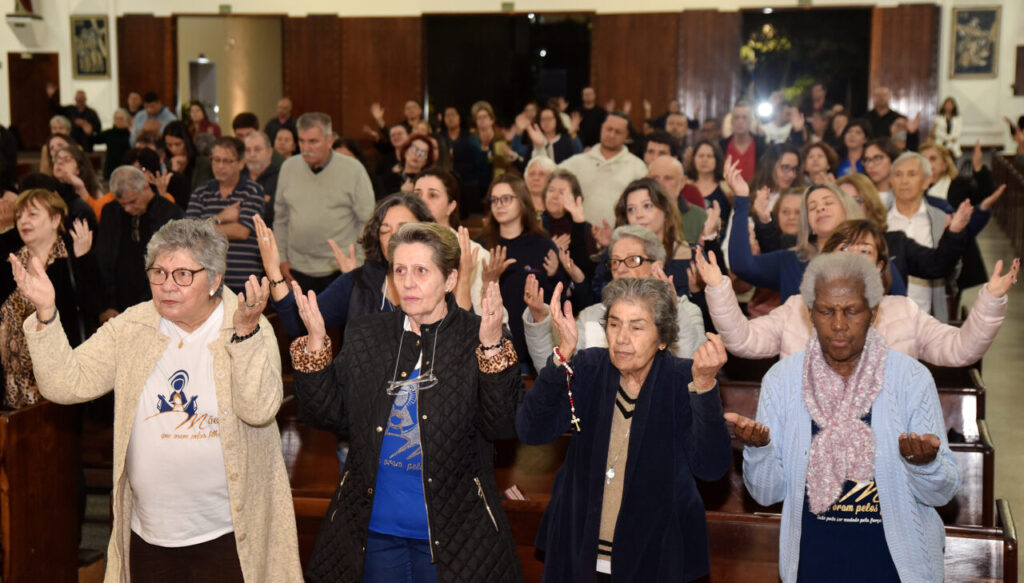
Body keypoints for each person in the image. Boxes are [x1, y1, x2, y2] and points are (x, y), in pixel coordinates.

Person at [15, 218, 302, 581]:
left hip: (229, 534)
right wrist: (46, 312)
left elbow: (259, 410)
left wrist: (244, 338)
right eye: (158, 273)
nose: (168, 286)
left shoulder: (245, 323)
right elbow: (65, 383)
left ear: (214, 279)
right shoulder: (133, 327)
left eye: (183, 274)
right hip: (149, 534)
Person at [288, 222, 524, 582]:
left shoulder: (477, 336)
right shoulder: (368, 334)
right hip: (375, 530)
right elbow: (328, 415)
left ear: (449, 280)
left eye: (421, 271)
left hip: (455, 536)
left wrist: (492, 348)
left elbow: (503, 424)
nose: (408, 282)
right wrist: (317, 348)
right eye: (400, 270)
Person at [728, 252, 962, 582]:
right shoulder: (782, 381)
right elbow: (767, 494)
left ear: (873, 313)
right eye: (826, 311)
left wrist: (925, 465)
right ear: (810, 313)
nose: (839, 323)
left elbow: (941, 492)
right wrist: (760, 450)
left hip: (895, 570)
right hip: (813, 566)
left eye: (851, 311)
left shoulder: (910, 379)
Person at [517, 277, 731, 582]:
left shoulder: (685, 379)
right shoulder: (590, 368)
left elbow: (711, 467)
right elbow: (531, 430)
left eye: (637, 327)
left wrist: (706, 387)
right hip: (580, 552)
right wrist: (560, 357)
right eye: (614, 324)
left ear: (662, 338)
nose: (621, 338)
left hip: (656, 560)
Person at [703, 218, 1015, 362]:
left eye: (863, 250)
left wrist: (991, 300)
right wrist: (718, 288)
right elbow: (743, 340)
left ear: (881, 265)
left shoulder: (903, 312)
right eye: (843, 248)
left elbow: (960, 350)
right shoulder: (798, 309)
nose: (852, 257)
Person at [522, 224, 706, 372]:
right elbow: (557, 375)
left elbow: (692, 371)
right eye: (616, 261)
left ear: (656, 267)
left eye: (633, 260)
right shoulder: (591, 315)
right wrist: (539, 320)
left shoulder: (686, 311)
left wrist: (672, 310)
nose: (621, 268)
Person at [258, 193, 434, 340]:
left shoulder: (441, 279)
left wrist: (463, 276)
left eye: (403, 228)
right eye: (384, 231)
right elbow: (299, 324)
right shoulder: (358, 283)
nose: (393, 237)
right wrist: (273, 270)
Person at [0, 189, 100, 407]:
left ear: (55, 219)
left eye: (33, 214)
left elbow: (92, 306)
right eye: (19, 216)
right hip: (10, 384)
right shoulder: (10, 262)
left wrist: (84, 261)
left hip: (57, 382)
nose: (23, 221)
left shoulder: (74, 259)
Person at [727, 158, 866, 301]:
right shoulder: (791, 261)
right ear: (809, 225)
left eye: (828, 202)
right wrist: (742, 199)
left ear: (847, 209)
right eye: (812, 207)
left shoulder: (869, 253)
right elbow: (742, 265)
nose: (820, 208)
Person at [273, 112, 375, 294]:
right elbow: (281, 219)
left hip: (340, 269)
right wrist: (281, 258)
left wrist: (358, 264)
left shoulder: (353, 170)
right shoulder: (289, 168)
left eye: (313, 141)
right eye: (301, 141)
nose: (305, 148)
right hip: (297, 268)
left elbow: (367, 222)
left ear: (329, 140)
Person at [479, 175, 562, 373]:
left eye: (507, 198)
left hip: (534, 352)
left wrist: (555, 275)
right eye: (494, 199)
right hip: (492, 350)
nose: (499, 205)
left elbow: (554, 302)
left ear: (523, 202)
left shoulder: (543, 244)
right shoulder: (483, 245)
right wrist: (490, 282)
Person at [96, 166, 185, 321]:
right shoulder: (111, 212)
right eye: (122, 204)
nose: (127, 209)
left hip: (158, 304)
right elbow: (103, 260)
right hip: (116, 306)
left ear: (145, 187)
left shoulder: (170, 214)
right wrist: (106, 305)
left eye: (132, 202)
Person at [186, 137, 265, 293]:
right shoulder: (201, 192)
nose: (220, 166)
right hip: (206, 281)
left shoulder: (252, 190)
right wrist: (219, 217)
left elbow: (241, 231)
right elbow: (189, 233)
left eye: (227, 161)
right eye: (216, 160)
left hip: (244, 282)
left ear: (241, 164)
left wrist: (203, 228)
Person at [412, 168, 490, 314]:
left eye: (432, 195)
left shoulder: (476, 254)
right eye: (417, 195)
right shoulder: (403, 249)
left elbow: (481, 320)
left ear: (451, 206)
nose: (422, 201)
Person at [558, 112, 648, 228]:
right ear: (602, 128)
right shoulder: (577, 163)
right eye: (609, 129)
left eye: (618, 132)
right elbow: (548, 175)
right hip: (580, 235)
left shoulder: (637, 167)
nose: (611, 135)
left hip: (620, 238)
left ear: (626, 136)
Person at [648, 155, 707, 245]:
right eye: (655, 178)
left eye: (668, 178)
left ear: (683, 182)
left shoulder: (700, 218)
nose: (660, 184)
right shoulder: (637, 215)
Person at [684, 139, 733, 233]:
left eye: (709, 156)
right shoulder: (685, 187)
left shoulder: (727, 188)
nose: (704, 160)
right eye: (701, 156)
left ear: (717, 160)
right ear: (693, 159)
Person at [52, 145, 104, 220]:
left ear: (78, 169)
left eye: (67, 160)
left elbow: (98, 219)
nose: (59, 162)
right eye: (57, 159)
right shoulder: (47, 187)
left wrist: (81, 189)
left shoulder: (95, 191)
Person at [720, 102, 768, 182]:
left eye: (744, 117)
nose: (740, 121)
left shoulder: (762, 146)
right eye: (736, 117)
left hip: (755, 191)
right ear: (731, 121)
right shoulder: (722, 146)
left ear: (750, 121)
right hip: (728, 192)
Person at [378, 133, 437, 198]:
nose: (417, 155)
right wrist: (402, 192)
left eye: (423, 153)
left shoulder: (428, 182)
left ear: (427, 160)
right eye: (414, 149)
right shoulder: (389, 179)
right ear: (406, 151)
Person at [46, 85, 102, 151]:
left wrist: (89, 127)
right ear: (75, 99)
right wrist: (50, 97)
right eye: (78, 99)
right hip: (71, 143)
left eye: (81, 98)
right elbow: (56, 109)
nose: (80, 100)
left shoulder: (91, 113)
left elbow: (98, 128)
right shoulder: (70, 110)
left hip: (86, 146)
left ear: (85, 99)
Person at [244, 132, 280, 227]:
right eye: (247, 150)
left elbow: (274, 212)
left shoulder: (280, 177)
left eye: (257, 149)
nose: (252, 154)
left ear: (270, 152)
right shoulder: (238, 176)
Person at [94, 108, 133, 180]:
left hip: (126, 168)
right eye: (116, 119)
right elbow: (94, 140)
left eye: (121, 119)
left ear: (127, 120)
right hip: (110, 168)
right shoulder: (109, 133)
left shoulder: (131, 134)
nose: (118, 121)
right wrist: (89, 133)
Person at [861, 138, 902, 207]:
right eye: (867, 159)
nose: (870, 165)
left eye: (877, 158)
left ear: (893, 160)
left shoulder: (904, 194)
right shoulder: (861, 195)